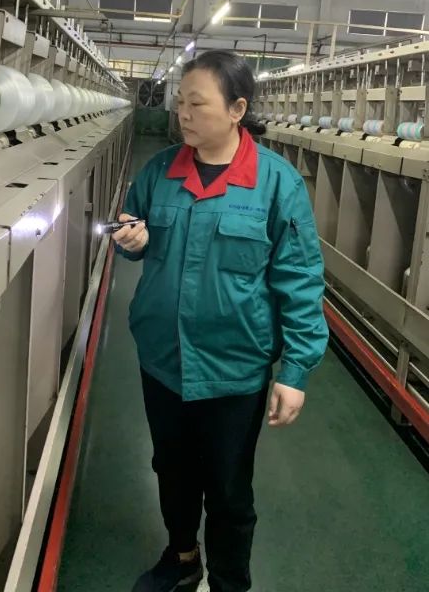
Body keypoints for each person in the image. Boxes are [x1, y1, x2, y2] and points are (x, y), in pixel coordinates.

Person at [113, 50, 328, 592]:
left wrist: (295, 371)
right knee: (171, 468)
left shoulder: (277, 184)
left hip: (233, 367)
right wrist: (131, 240)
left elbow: (300, 280)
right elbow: (131, 230)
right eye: (179, 102)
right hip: (163, 358)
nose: (183, 114)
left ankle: (230, 582)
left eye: (197, 104)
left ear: (237, 109)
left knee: (229, 489)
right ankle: (183, 558)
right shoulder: (160, 172)